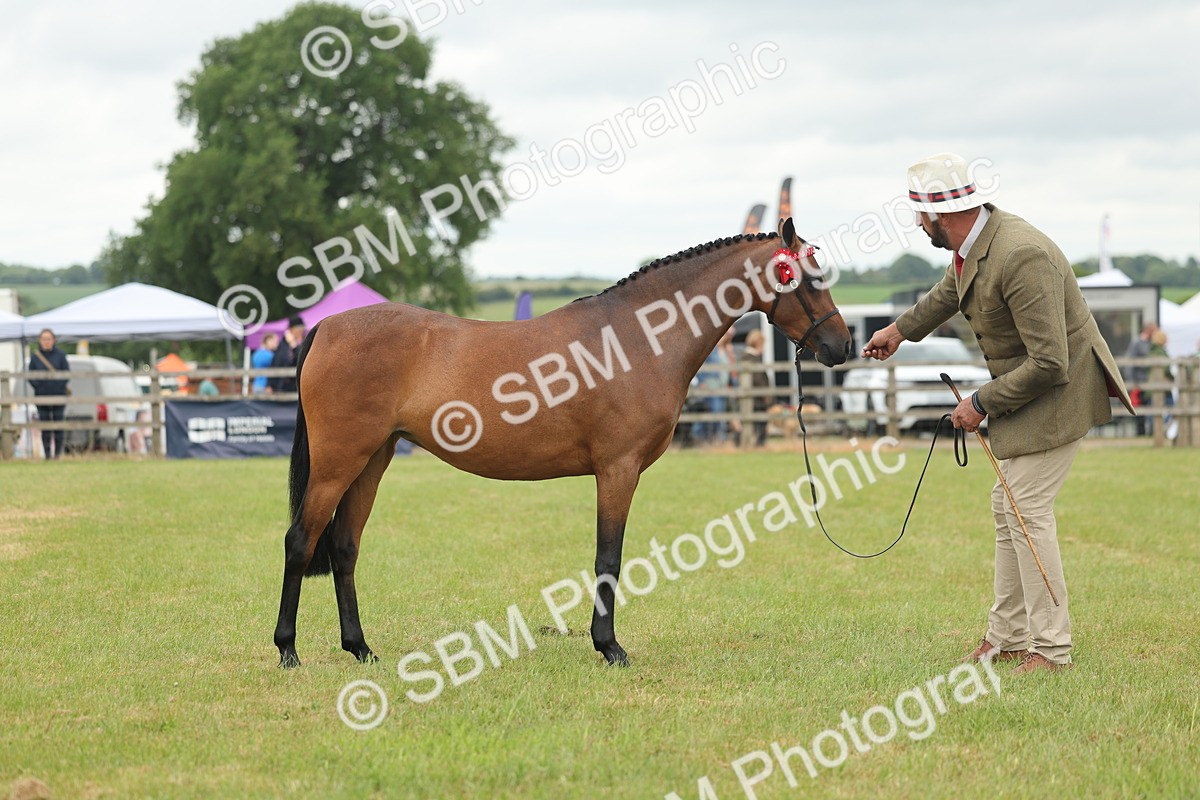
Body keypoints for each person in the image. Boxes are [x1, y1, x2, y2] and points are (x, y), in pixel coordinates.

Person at [863, 153, 1134, 674]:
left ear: (941, 215)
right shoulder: (975, 247)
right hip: (1033, 389)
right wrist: (897, 333)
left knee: (1026, 507)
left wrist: (981, 403)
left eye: (920, 215)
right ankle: (1007, 638)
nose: (919, 225)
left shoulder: (1021, 254)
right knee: (1007, 503)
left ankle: (1052, 651)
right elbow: (947, 295)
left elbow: (1051, 362)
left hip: (1061, 391)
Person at [27, 328, 70, 459]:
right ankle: (47, 454)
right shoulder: (35, 358)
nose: (46, 342)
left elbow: (67, 373)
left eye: (49, 339)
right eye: (44, 339)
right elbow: (30, 376)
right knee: (45, 426)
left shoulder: (60, 355)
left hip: (58, 395)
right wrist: (39, 387)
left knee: (58, 425)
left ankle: (57, 454)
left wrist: (58, 386)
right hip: (42, 396)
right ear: (40, 341)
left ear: (53, 340)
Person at [738, 329, 771, 446]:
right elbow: (757, 378)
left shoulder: (748, 357)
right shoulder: (751, 358)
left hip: (755, 396)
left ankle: (756, 444)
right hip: (756, 397)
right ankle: (757, 445)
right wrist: (765, 394)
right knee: (759, 423)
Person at [1123, 323, 1156, 433]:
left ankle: (1151, 432)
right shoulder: (1136, 343)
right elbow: (1130, 362)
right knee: (1138, 408)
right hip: (1138, 381)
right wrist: (1132, 381)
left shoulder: (1152, 344)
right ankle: (1140, 432)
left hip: (1149, 382)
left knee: (1151, 408)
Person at [269, 316, 307, 393]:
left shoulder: (304, 344)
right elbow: (275, 363)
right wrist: (269, 384)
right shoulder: (283, 345)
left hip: (298, 386)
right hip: (281, 385)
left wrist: (294, 345)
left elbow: (302, 359)